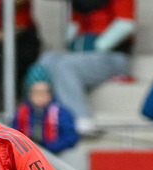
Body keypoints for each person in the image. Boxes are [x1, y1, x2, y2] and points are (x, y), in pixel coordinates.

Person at [36, 0, 136, 135]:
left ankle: (81, 118)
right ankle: (39, 114)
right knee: (47, 60)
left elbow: (126, 24)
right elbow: (74, 24)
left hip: (112, 55)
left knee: (66, 66)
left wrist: (97, 45)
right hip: (82, 54)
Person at [11, 65, 80, 154]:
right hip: (28, 155)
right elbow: (14, 135)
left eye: (44, 92)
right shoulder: (21, 113)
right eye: (36, 92)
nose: (40, 97)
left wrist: (50, 146)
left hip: (55, 155)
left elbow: (70, 137)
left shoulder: (61, 113)